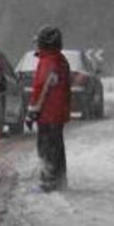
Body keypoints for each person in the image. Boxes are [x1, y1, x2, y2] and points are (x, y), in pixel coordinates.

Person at [26, 25, 71, 192]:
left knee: (46, 147)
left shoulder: (47, 62)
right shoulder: (61, 60)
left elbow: (40, 88)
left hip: (47, 113)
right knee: (57, 146)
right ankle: (60, 179)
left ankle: (48, 181)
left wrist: (32, 112)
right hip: (58, 112)